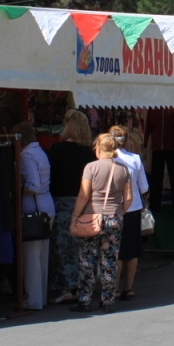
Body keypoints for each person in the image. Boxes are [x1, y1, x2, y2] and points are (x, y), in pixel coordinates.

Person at [69, 133, 133, 313]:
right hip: (115, 217)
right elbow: (128, 198)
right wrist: (120, 211)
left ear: (98, 147)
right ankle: (108, 300)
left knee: (87, 259)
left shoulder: (91, 167)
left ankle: (85, 300)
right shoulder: (123, 169)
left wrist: (75, 216)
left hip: (92, 217)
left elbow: (83, 195)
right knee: (110, 260)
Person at [46, 110, 96, 304]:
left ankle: (65, 288)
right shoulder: (89, 152)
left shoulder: (57, 150)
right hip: (84, 204)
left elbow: (50, 179)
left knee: (61, 248)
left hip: (62, 203)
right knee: (82, 248)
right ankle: (81, 286)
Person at [17, 122, 53, 310]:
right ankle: (41, 298)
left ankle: (33, 300)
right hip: (47, 205)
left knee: (31, 258)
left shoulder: (27, 155)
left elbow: (33, 185)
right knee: (41, 257)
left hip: (34, 208)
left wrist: (17, 190)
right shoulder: (40, 152)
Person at [110, 125, 149, 299]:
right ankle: (129, 287)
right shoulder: (135, 159)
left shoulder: (107, 160)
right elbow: (144, 187)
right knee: (131, 250)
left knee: (116, 250)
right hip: (133, 208)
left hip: (112, 208)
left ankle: (115, 288)